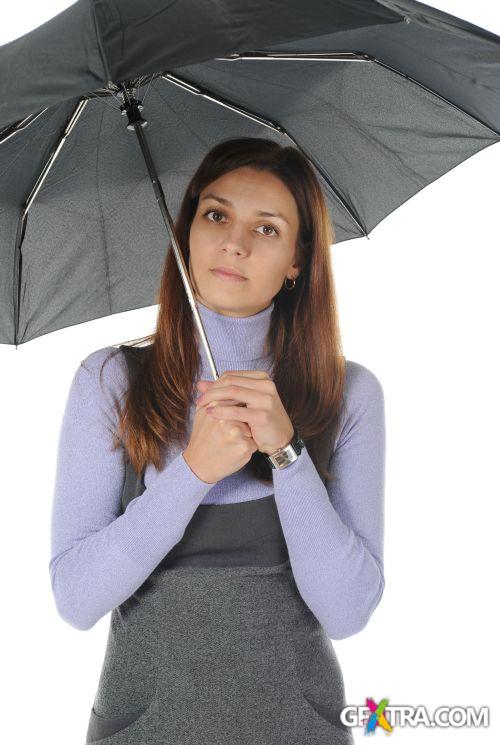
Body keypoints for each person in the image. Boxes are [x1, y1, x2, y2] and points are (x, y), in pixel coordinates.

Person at [48, 137, 385, 744]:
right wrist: (192, 473)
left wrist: (287, 453)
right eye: (216, 215)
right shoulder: (110, 382)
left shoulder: (349, 395)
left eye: (268, 228)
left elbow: (347, 612)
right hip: (143, 730)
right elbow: (75, 599)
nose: (234, 242)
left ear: (298, 261)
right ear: (186, 231)